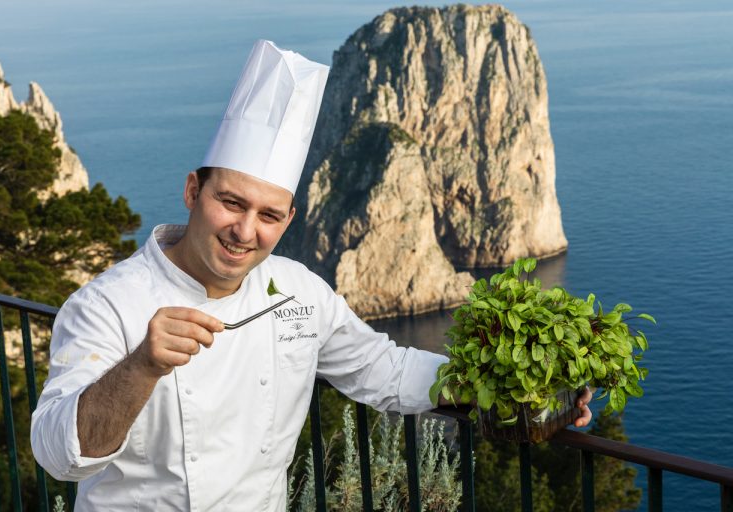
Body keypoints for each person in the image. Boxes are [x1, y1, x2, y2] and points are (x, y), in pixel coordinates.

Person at [31, 39, 591, 511]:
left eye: (268, 215)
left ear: (289, 219)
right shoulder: (106, 304)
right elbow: (60, 457)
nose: (245, 231)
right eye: (231, 202)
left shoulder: (296, 289)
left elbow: (384, 369)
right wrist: (141, 366)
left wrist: (511, 390)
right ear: (193, 192)